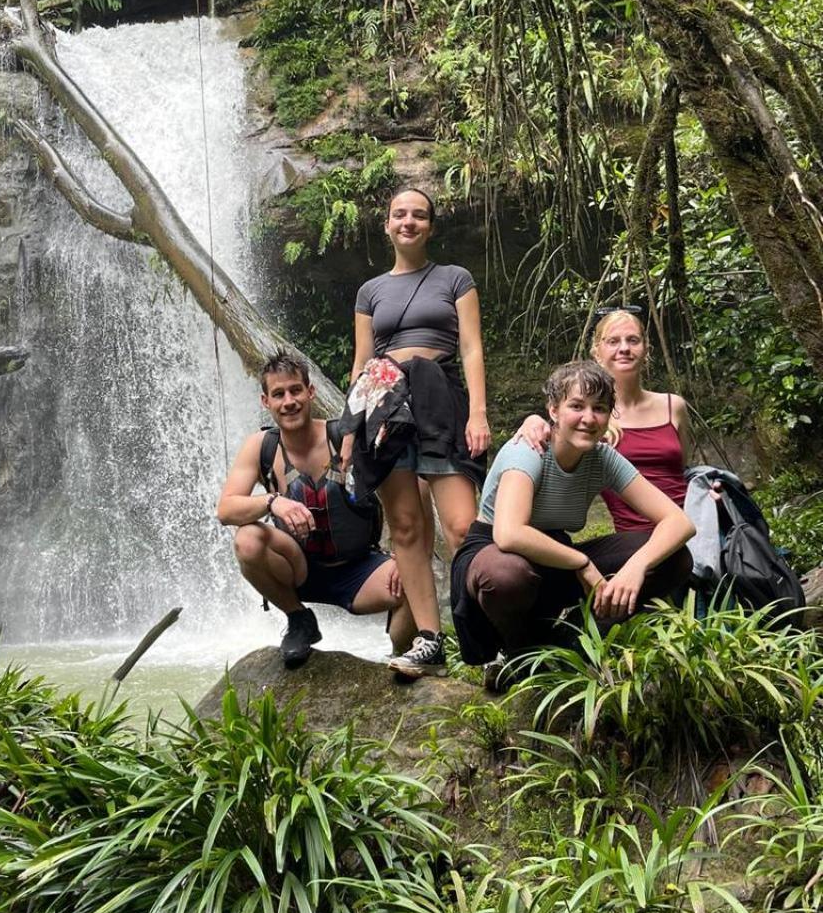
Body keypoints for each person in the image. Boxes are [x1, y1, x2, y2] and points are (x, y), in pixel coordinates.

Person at [450, 359, 694, 689]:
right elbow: (508, 533)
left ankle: (573, 637)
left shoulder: (603, 457)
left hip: (554, 558)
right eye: (576, 406)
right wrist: (582, 562)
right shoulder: (529, 449)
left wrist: (634, 568)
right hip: (492, 554)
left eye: (599, 408)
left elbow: (679, 523)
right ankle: (517, 653)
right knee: (508, 575)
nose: (588, 418)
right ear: (553, 409)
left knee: (674, 558)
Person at [345, 187, 490, 680]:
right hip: (385, 405)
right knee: (405, 526)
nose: (409, 222)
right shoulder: (369, 291)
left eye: (419, 215)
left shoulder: (455, 279)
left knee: (461, 526)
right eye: (399, 214)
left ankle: (489, 637)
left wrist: (479, 414)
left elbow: (470, 349)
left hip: (441, 398)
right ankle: (431, 639)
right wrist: (350, 430)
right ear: (386, 224)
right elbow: (362, 363)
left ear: (430, 226)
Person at [217, 352, 413, 668]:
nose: (289, 401)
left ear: (311, 392)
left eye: (296, 390)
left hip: (359, 568)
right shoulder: (261, 447)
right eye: (278, 394)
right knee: (247, 540)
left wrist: (404, 556)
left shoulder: (344, 437)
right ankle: (298, 618)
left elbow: (402, 495)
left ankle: (402, 657)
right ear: (265, 401)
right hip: (297, 569)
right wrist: (272, 501)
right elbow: (226, 509)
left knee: (412, 581)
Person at [514, 308, 690, 531]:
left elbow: (683, 471)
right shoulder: (592, 424)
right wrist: (531, 420)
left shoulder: (673, 407)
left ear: (646, 348)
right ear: (596, 351)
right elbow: (558, 448)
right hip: (632, 535)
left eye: (633, 340)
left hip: (687, 523)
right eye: (613, 341)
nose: (624, 348)